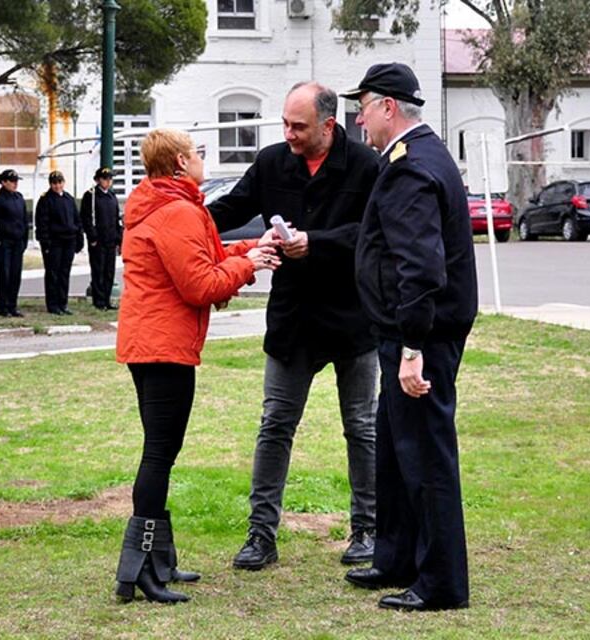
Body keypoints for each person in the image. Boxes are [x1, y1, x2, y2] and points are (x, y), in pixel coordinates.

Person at [208, 81, 381, 569]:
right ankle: (261, 535)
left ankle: (366, 530)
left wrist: (317, 243)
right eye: (285, 123)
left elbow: (373, 231)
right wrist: (178, 217)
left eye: (298, 127)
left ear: (329, 126)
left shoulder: (366, 166)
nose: (288, 134)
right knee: (275, 426)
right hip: (293, 319)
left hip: (352, 318)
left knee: (362, 427)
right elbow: (232, 208)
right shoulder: (271, 162)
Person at [113, 128, 279, 604]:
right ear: (181, 162)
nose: (203, 159)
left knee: (159, 451)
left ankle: (157, 560)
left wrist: (251, 249)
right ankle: (140, 566)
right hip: (164, 345)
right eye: (198, 153)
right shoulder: (179, 211)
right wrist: (253, 266)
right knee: (160, 454)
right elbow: (201, 283)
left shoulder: (161, 203)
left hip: (148, 342)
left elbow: (204, 256)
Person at [340, 63, 478, 612]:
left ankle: (441, 582)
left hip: (420, 334)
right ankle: (396, 557)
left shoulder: (411, 167)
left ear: (389, 107)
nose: (359, 117)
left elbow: (420, 266)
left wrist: (414, 348)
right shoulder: (411, 156)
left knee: (424, 455)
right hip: (405, 331)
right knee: (397, 455)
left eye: (365, 106)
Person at [35, 170, 83, 315]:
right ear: (51, 184)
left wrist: (79, 239)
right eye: (54, 183)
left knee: (64, 273)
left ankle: (63, 303)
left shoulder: (69, 198)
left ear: (63, 183)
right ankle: (53, 305)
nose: (57, 186)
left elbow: (77, 220)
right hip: (54, 242)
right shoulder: (45, 200)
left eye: (59, 182)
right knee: (53, 273)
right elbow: (42, 224)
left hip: (69, 241)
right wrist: (45, 244)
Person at [0, 169, 29, 318]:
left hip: (17, 242)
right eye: (12, 181)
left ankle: (12, 305)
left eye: (16, 181)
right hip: (3, 242)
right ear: (4, 182)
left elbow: (24, 220)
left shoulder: (19, 197)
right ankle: (2, 306)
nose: (15, 184)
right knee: (4, 274)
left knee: (15, 274)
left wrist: (24, 241)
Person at [81, 167, 121, 310]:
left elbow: (116, 220)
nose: (108, 182)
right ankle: (99, 301)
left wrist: (119, 239)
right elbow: (86, 218)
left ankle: (106, 299)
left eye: (110, 179)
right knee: (98, 270)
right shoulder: (90, 196)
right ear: (98, 179)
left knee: (109, 271)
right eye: (105, 179)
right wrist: (92, 237)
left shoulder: (111, 197)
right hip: (98, 240)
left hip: (110, 240)